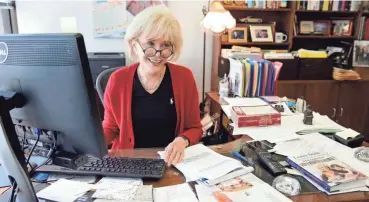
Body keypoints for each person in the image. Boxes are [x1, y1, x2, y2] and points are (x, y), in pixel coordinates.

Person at [102, 5, 202, 166]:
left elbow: (195, 128)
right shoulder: (117, 80)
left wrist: (182, 140)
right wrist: (86, 147)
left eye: (165, 45)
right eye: (150, 43)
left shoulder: (185, 77)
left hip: (170, 164)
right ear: (134, 44)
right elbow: (110, 128)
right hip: (127, 164)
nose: (157, 53)